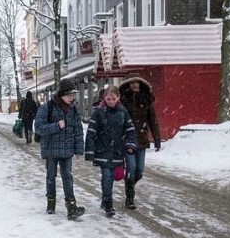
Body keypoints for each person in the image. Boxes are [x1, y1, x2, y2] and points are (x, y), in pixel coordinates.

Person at [34, 77, 86, 219]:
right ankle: (51, 203)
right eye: (69, 94)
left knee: (68, 177)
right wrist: (56, 126)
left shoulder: (73, 110)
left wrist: (79, 150)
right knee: (51, 177)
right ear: (61, 94)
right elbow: (38, 128)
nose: (72, 97)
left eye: (73, 94)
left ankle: (71, 207)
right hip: (51, 149)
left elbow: (78, 130)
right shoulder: (47, 107)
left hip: (67, 150)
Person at [84, 86, 136, 217]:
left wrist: (130, 144)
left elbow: (130, 129)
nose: (111, 101)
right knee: (107, 175)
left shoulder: (123, 112)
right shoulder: (99, 112)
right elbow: (91, 132)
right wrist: (89, 151)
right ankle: (108, 203)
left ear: (118, 98)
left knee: (111, 177)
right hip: (102, 149)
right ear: (104, 98)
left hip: (117, 150)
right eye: (108, 99)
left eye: (113, 99)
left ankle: (105, 198)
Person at [119, 77, 161, 210]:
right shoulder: (124, 101)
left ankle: (129, 184)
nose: (134, 85)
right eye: (131, 83)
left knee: (139, 170)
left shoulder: (146, 101)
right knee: (131, 168)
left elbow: (152, 120)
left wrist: (157, 138)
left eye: (136, 82)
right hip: (128, 139)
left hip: (142, 138)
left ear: (140, 84)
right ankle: (130, 198)